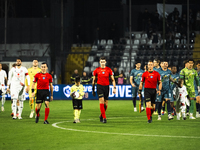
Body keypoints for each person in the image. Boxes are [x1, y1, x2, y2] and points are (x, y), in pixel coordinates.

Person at [92, 57, 116, 123]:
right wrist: (93, 89)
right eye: (101, 62)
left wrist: (114, 88)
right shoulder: (96, 70)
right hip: (99, 87)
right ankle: (104, 118)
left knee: (106, 104)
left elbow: (113, 80)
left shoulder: (109, 70)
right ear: (99, 62)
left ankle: (101, 115)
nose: (102, 63)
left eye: (103, 62)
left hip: (106, 87)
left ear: (105, 62)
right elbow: (94, 80)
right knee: (101, 101)